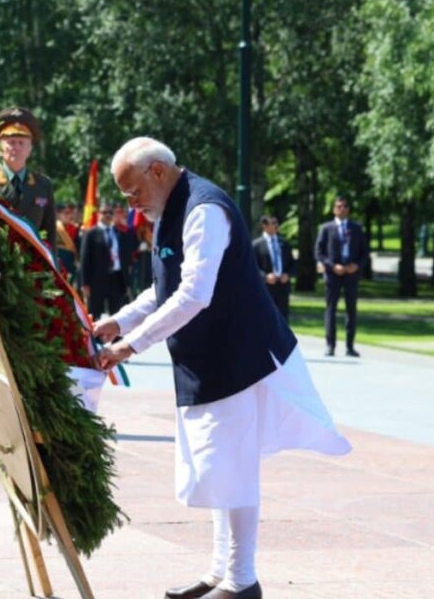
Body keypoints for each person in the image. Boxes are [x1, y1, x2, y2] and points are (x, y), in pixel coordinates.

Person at [95, 137, 350, 599]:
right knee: (218, 469)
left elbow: (195, 293)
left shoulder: (203, 209)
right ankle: (220, 572)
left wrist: (130, 346)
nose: (130, 204)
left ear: (156, 171)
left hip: (237, 358)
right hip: (208, 362)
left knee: (232, 469)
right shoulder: (170, 211)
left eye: (132, 191)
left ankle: (242, 580)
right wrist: (120, 321)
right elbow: (162, 287)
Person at [0, 107, 57, 246]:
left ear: (30, 149)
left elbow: (50, 234)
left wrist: (52, 267)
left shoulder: (43, 185)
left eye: (21, 143)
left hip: (32, 264)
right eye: (11, 142)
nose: (16, 148)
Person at [315, 195, 367, 357]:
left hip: (351, 274)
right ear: (333, 209)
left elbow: (364, 252)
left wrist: (356, 265)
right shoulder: (326, 228)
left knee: (351, 310)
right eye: (338, 206)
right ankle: (330, 345)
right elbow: (319, 252)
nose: (342, 209)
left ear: (348, 209)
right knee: (331, 310)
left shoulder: (356, 228)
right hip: (333, 274)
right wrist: (332, 266)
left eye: (344, 206)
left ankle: (350, 346)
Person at [79, 202, 129, 319]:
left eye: (110, 213)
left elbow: (124, 258)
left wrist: (126, 280)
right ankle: (94, 336)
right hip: (97, 279)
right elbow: (85, 259)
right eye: (104, 212)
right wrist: (84, 283)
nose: (107, 215)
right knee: (94, 312)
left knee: (117, 313)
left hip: (116, 277)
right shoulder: (91, 234)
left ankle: (117, 337)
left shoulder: (118, 232)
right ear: (98, 214)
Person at [251, 215, 294, 320]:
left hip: (282, 287)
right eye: (273, 223)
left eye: (277, 223)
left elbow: (292, 264)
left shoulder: (284, 243)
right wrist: (265, 277)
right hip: (266, 288)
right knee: (266, 318)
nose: (276, 226)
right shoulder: (256, 245)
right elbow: (252, 266)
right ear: (264, 226)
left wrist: (287, 275)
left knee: (283, 318)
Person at [55, 203, 79, 282]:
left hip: (71, 267)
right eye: (66, 213)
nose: (70, 216)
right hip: (57, 265)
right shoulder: (54, 228)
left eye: (70, 213)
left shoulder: (75, 229)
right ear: (58, 215)